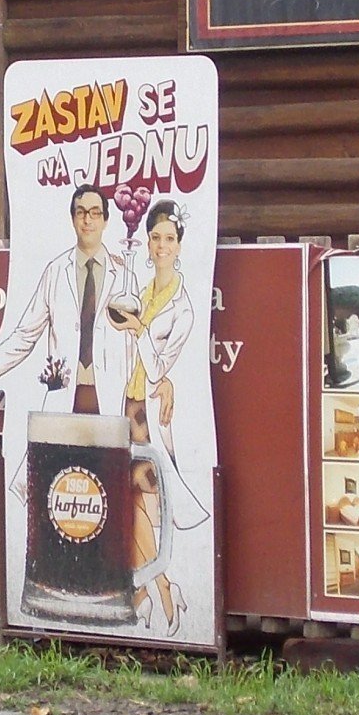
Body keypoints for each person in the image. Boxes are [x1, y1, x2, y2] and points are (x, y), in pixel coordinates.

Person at [0, 184, 135, 413]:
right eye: (81, 212)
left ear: (105, 221)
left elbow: (135, 344)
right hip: (66, 400)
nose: (88, 220)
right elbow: (25, 335)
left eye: (95, 213)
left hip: (111, 400)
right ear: (73, 219)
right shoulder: (55, 272)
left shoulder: (125, 276)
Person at [110, 199, 205, 632]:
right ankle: (155, 589)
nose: (161, 245)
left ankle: (153, 590)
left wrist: (138, 329)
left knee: (147, 499)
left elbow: (163, 365)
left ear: (180, 245)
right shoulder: (143, 291)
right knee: (135, 504)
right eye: (155, 238)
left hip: (152, 413)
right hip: (129, 405)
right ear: (147, 244)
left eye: (169, 238)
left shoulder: (183, 306)